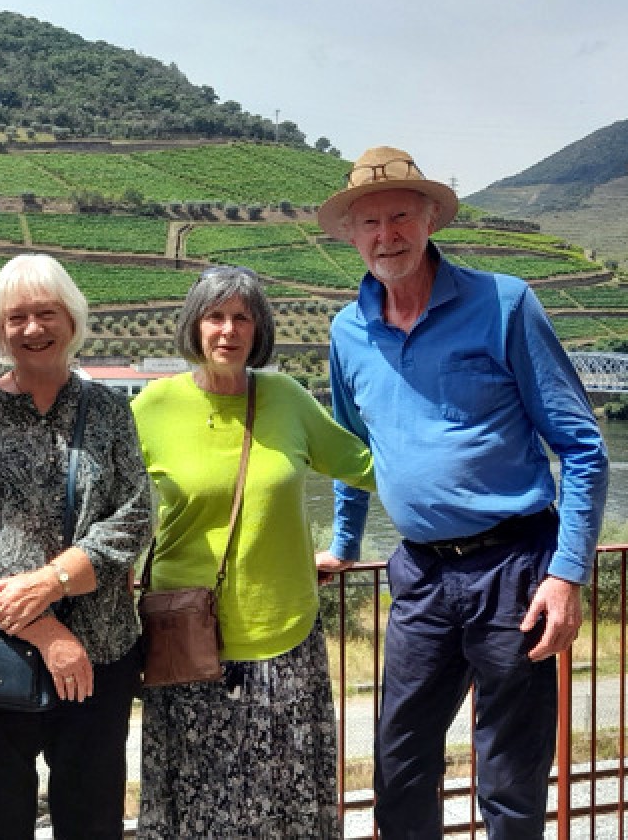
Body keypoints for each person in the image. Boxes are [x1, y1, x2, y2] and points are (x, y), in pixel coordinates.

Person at [319, 146, 610, 838]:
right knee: (400, 764)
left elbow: (583, 447)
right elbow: (353, 448)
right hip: (419, 573)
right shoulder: (346, 331)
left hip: (515, 569)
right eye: (370, 223)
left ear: (428, 222)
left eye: (398, 217)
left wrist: (567, 574)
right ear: (352, 236)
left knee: (510, 773)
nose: (385, 235)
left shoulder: (503, 303)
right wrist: (342, 543)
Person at [131, 265, 376, 839]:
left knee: (283, 807)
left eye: (243, 317)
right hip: (185, 643)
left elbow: (365, 466)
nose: (228, 330)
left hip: (284, 638)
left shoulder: (287, 399)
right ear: (194, 326)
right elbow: (107, 498)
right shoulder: (153, 407)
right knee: (198, 808)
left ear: (259, 329)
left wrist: (466, 473)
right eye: (215, 316)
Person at [0, 253, 152, 840]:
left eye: (47, 313)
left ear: (73, 319)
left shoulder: (109, 410)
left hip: (102, 655)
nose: (33, 328)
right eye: (17, 317)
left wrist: (53, 581)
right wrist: (45, 628)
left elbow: (135, 517)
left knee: (91, 818)